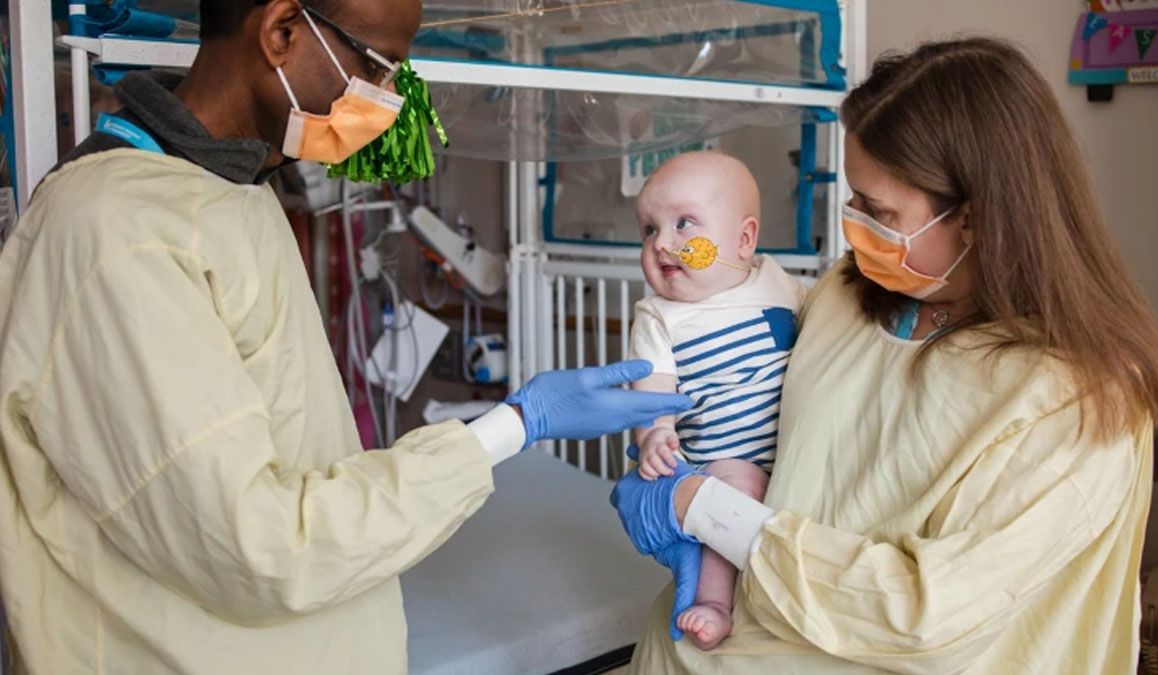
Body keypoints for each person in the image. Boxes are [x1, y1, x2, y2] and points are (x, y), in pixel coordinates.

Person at [0, 1, 692, 673]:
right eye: (377, 65)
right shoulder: (116, 231)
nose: (386, 98)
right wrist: (512, 426)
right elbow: (257, 544)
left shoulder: (235, 187)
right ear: (280, 31)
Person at [611, 37, 1158, 674]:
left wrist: (704, 508)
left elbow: (924, 618)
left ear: (975, 217)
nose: (853, 225)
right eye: (854, 198)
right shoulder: (843, 299)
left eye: (876, 210)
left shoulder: (1075, 403)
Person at [628, 152, 805, 650]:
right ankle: (714, 602)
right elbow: (653, 389)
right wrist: (655, 435)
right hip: (724, 461)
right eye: (648, 229)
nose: (662, 242)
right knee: (737, 494)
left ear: (744, 240)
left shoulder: (777, 284)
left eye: (683, 223)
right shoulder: (660, 317)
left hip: (793, 452)